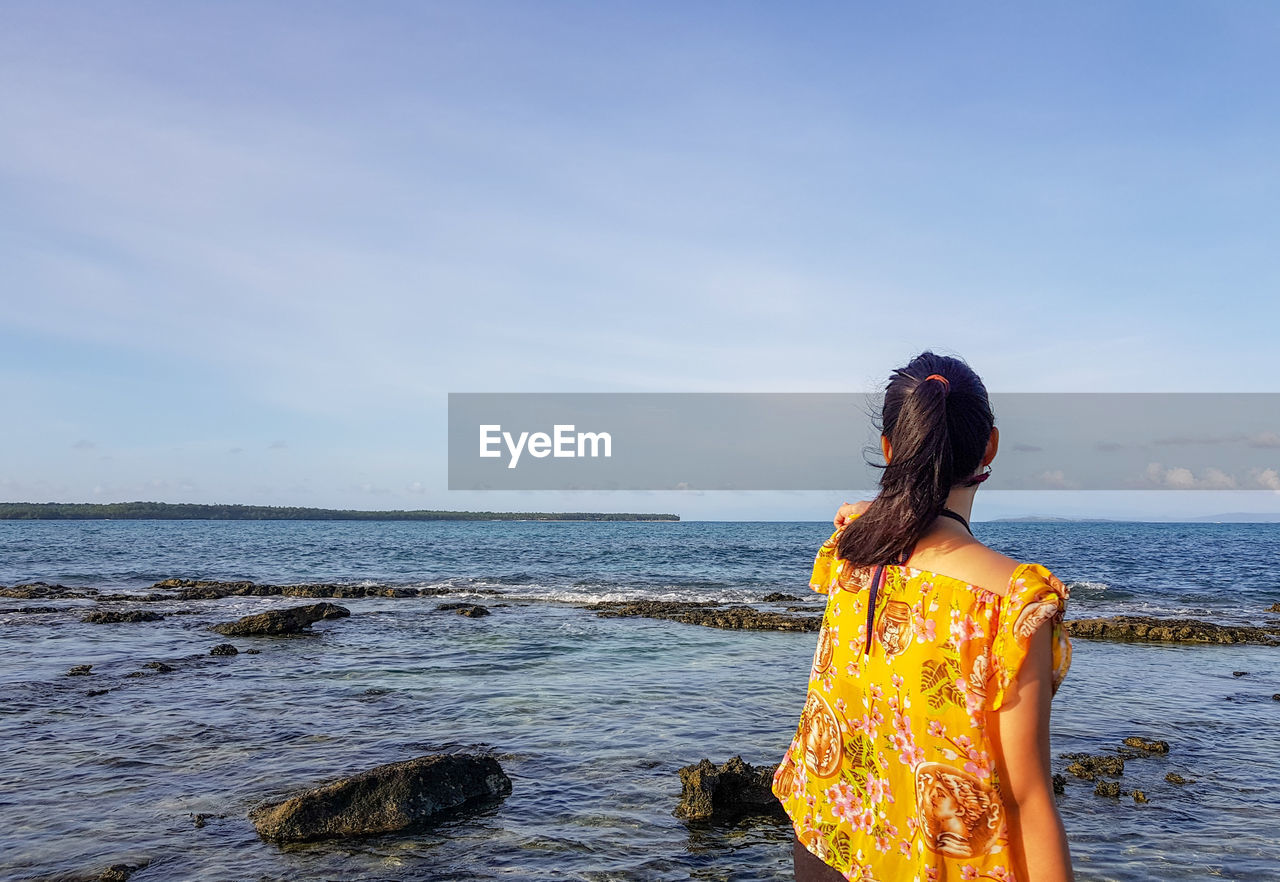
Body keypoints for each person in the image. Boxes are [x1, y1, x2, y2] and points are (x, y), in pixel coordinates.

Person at [772, 351, 1074, 882]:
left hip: (823, 840)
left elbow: (888, 528)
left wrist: (871, 509)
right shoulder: (1013, 604)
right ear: (990, 445)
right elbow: (1027, 800)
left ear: (890, 449)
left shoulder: (845, 555)